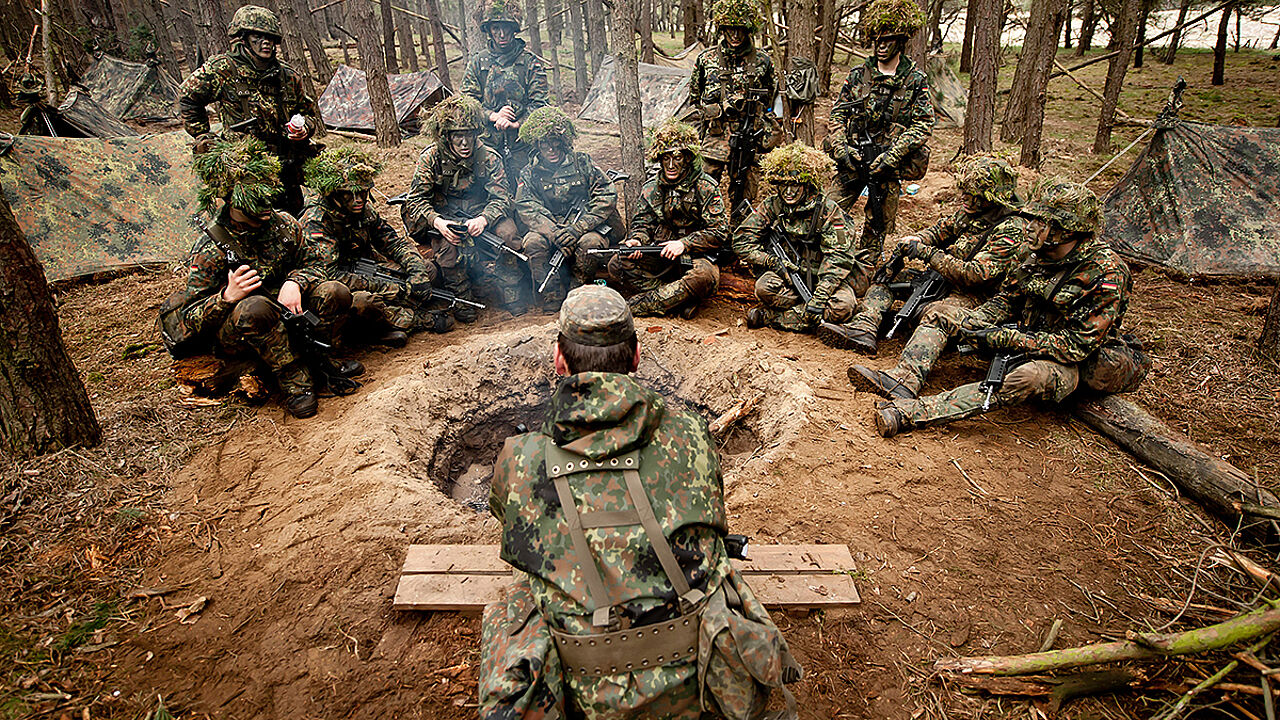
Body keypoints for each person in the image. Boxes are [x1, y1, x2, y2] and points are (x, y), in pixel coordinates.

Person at [480, 285, 801, 720]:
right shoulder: (690, 434)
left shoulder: (519, 458)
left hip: (582, 689)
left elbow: (510, 523)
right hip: (700, 679)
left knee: (517, 598)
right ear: (635, 356)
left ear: (559, 359)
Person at [849, 179, 1138, 438]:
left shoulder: (1106, 272)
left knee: (1027, 377)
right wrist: (974, 324)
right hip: (1026, 334)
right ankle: (903, 380)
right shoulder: (1034, 254)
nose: (1030, 226)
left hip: (1076, 361)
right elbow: (1006, 300)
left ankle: (912, 412)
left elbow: (1076, 346)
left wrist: (1007, 338)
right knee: (942, 313)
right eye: (1030, 218)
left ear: (1065, 230)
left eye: (1041, 221)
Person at [163, 138, 357, 419]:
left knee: (335, 291)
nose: (268, 204)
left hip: (288, 311)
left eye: (270, 195)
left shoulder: (285, 225)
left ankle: (321, 361)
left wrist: (295, 282)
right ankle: (296, 383)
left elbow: (318, 262)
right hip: (241, 327)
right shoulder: (211, 248)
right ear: (233, 198)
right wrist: (226, 296)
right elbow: (187, 319)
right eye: (257, 199)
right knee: (255, 308)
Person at [820, 154, 1029, 354]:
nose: (964, 199)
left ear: (991, 198)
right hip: (941, 279)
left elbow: (975, 275)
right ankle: (864, 327)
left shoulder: (1011, 229)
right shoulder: (972, 211)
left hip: (972, 296)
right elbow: (940, 230)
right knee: (886, 279)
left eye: (973, 196)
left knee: (934, 314)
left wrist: (927, 254)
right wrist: (916, 240)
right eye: (964, 192)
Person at [297, 147, 453, 347]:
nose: (359, 199)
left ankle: (396, 315)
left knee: (428, 270)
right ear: (334, 195)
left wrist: (416, 271)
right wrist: (391, 288)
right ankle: (412, 321)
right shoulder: (317, 219)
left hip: (366, 268)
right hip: (337, 287)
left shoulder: (362, 208)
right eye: (349, 195)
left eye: (363, 192)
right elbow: (329, 274)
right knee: (366, 303)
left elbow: (392, 241)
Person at [178, 5, 321, 216]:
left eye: (270, 38)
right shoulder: (223, 69)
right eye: (258, 36)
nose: (266, 43)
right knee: (251, 229)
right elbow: (188, 97)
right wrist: (203, 135)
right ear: (243, 38)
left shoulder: (287, 76)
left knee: (294, 226)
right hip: (246, 172)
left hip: (286, 170)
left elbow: (308, 113)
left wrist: (304, 128)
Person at [822, 0, 933, 255]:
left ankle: (866, 266)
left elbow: (924, 123)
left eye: (888, 40)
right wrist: (842, 149)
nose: (881, 46)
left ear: (901, 42)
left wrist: (892, 156)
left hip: (887, 166)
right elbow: (838, 113)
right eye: (877, 40)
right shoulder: (859, 75)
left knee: (877, 224)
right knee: (829, 210)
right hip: (852, 159)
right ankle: (838, 255)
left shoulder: (915, 80)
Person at [402, 94, 525, 319]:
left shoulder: (488, 156)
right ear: (447, 137)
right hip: (445, 215)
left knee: (509, 235)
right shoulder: (431, 158)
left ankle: (511, 289)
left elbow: (503, 197)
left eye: (468, 135)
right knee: (449, 249)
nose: (465, 143)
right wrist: (438, 222)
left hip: (482, 212)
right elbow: (415, 199)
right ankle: (462, 296)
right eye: (458, 136)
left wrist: (484, 219)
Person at [733, 142, 871, 334]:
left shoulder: (829, 211)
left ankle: (771, 318)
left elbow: (839, 258)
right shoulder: (772, 205)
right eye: (783, 185)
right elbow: (741, 240)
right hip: (789, 276)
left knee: (842, 307)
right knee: (764, 289)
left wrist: (820, 296)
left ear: (807, 185)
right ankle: (807, 316)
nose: (788, 192)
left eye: (795, 185)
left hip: (827, 280)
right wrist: (771, 261)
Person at [608, 120, 727, 319]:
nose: (671, 165)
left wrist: (684, 244)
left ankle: (638, 306)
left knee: (703, 278)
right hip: (660, 253)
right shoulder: (651, 187)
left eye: (677, 158)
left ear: (688, 158)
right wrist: (638, 240)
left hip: (696, 256)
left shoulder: (705, 186)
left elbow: (719, 231)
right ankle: (678, 300)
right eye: (666, 158)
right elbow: (642, 223)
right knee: (617, 263)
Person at [514, 107, 623, 309]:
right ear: (537, 145)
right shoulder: (529, 173)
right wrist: (554, 232)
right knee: (532, 243)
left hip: (584, 226)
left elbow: (607, 195)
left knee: (590, 243)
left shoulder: (582, 163)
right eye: (545, 144)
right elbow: (526, 206)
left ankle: (578, 290)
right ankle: (552, 294)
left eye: (556, 142)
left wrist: (578, 228)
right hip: (550, 227)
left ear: (564, 141)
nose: (551, 149)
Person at [686, 0, 778, 214]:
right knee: (703, 190)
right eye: (730, 29)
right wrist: (715, 110)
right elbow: (694, 99)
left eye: (741, 30)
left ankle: (740, 236)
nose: (735, 35)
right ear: (722, 29)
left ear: (749, 30)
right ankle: (706, 233)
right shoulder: (706, 59)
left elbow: (769, 100)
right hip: (715, 138)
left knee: (745, 196)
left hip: (748, 138)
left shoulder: (763, 61)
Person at [462, 0, 551, 190]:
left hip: (524, 145)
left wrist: (517, 123)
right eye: (496, 28)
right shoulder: (478, 63)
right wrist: (493, 115)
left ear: (514, 29)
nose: (501, 34)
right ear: (488, 29)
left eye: (506, 28)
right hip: (486, 146)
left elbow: (541, 104)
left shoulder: (530, 63)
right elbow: (467, 104)